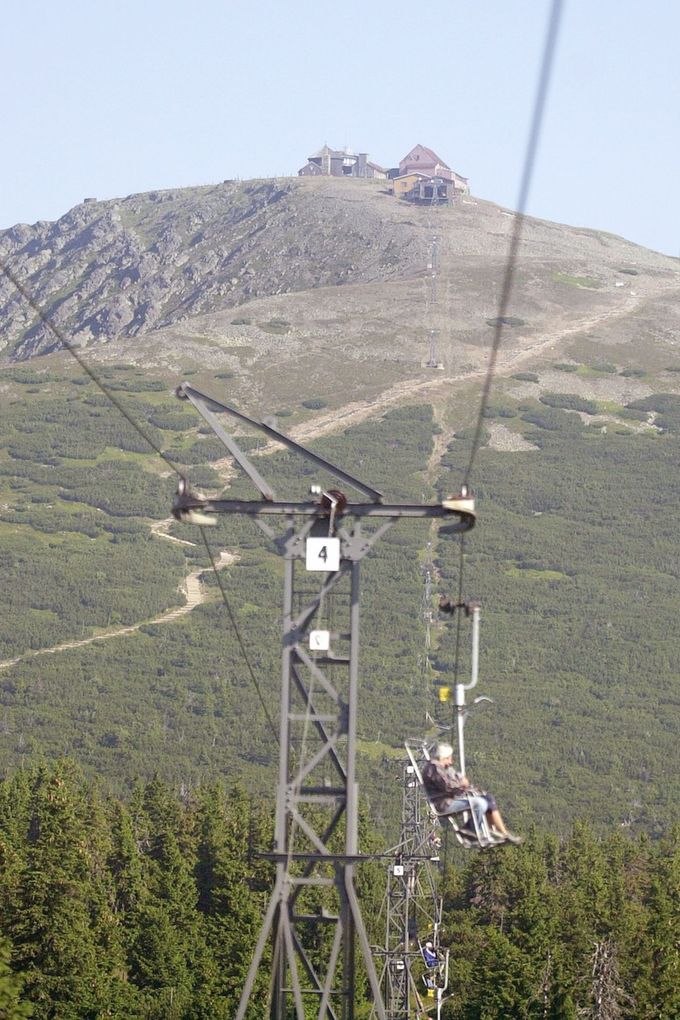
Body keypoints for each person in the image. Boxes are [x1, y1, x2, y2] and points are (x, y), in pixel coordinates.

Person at [422, 742, 521, 845]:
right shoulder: (434, 768)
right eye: (449, 758)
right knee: (480, 803)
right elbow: (448, 786)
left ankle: (500, 832)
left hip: (450, 798)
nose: (451, 761)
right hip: (444, 804)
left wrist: (469, 787)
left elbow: (453, 783)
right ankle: (471, 830)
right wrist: (462, 783)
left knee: (488, 798)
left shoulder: (442, 768)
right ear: (444, 757)